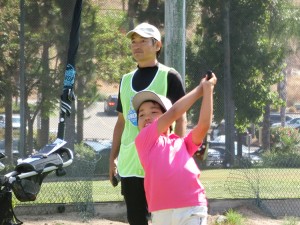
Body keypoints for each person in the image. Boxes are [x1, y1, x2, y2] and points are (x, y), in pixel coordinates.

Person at [109, 22, 187, 225]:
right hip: (130, 165)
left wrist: (177, 158)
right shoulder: (125, 80)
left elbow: (181, 117)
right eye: (134, 42)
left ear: (157, 45)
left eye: (143, 41)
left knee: (165, 220)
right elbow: (121, 122)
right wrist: (113, 159)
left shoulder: (169, 76)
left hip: (160, 165)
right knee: (136, 220)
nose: (136, 45)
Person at [133, 72, 217, 225]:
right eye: (141, 114)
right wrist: (199, 90)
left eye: (153, 112)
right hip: (160, 212)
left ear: (168, 121)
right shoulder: (143, 141)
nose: (146, 117)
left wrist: (208, 89)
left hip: (192, 207)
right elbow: (174, 112)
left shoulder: (182, 144)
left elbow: (204, 125)